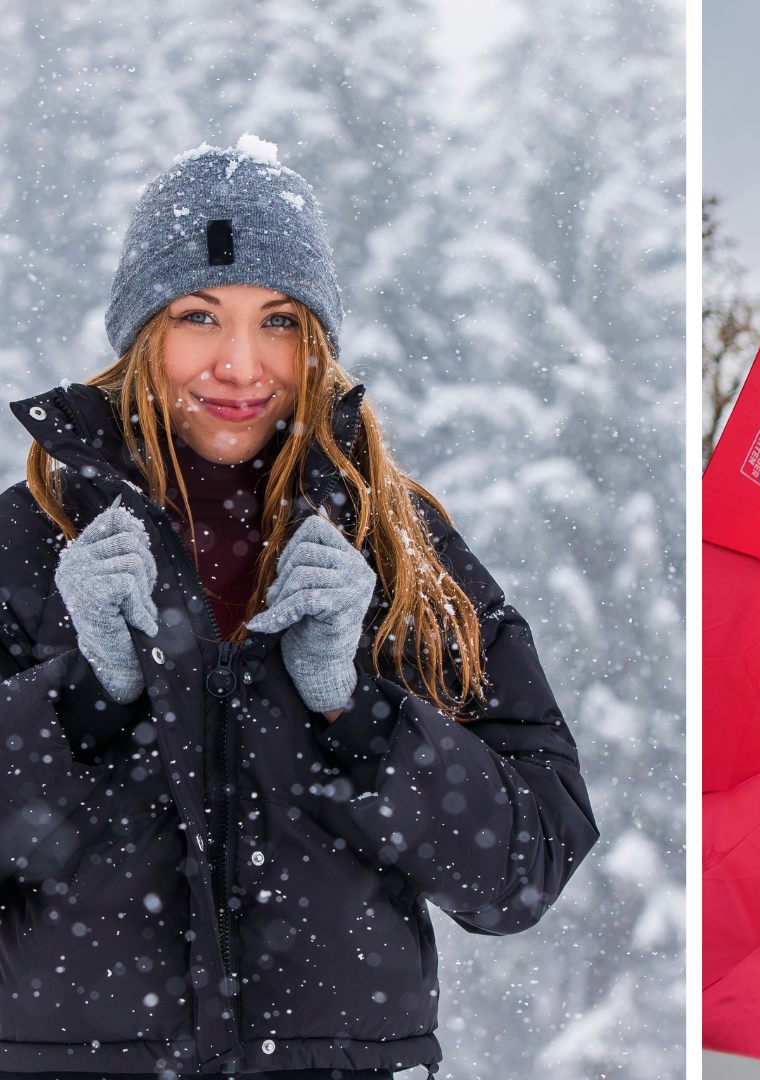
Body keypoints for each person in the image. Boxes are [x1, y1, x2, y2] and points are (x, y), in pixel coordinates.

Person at [0, 136, 598, 1079]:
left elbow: (525, 866)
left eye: (278, 321)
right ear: (142, 330)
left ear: (315, 340)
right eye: (200, 315)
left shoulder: (398, 546)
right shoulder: (27, 544)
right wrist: (82, 700)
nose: (242, 364)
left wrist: (358, 715)